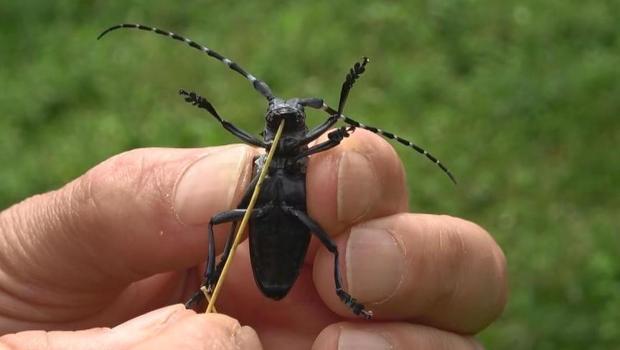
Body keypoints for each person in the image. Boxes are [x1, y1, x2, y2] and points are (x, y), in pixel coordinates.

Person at [0, 130, 507, 349]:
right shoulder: (264, 161)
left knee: (330, 245)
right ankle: (211, 280)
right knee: (224, 216)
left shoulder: (309, 154)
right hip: (270, 241)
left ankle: (346, 289)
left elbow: (336, 136)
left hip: (283, 246)